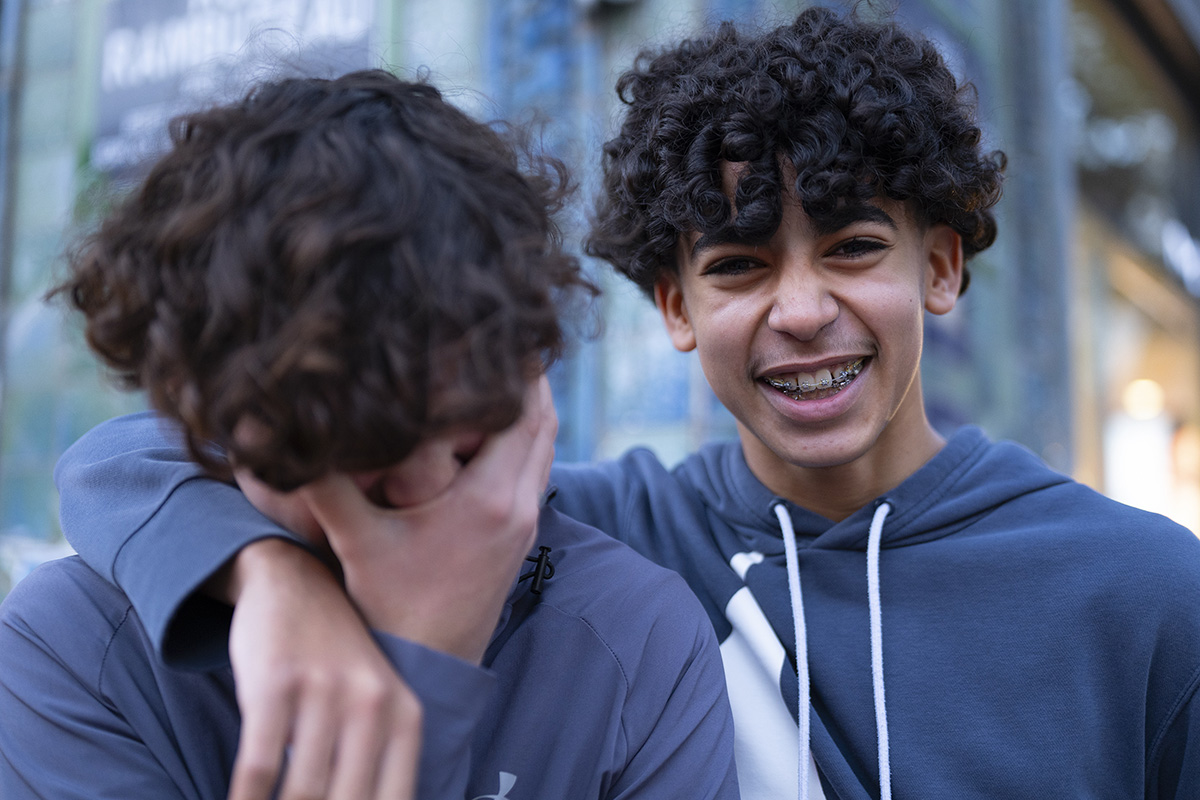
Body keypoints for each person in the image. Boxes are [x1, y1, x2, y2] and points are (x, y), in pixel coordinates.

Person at [24, 6, 1200, 799]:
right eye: (738, 266)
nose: (801, 309)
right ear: (674, 304)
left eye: (852, 247)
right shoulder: (585, 524)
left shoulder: (1144, 590)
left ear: (941, 267)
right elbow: (130, 455)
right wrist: (265, 577)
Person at [0, 70, 739, 800]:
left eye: (452, 428)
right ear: (205, 409)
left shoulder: (637, 636)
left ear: (525, 372)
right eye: (330, 446)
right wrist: (421, 668)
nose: (419, 490)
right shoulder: (73, 646)